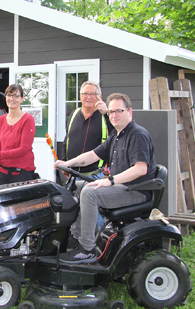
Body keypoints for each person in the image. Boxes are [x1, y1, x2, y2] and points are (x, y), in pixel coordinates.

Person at [54, 93, 156, 263]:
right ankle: (76, 236)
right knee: (75, 187)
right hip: (121, 187)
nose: (114, 115)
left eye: (119, 111)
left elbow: (140, 169)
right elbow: (93, 155)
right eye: (111, 112)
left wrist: (111, 180)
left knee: (89, 193)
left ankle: (87, 249)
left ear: (129, 112)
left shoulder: (137, 134)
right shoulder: (116, 136)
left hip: (135, 190)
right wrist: (67, 163)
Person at [60, 81, 114, 233]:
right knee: (76, 215)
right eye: (85, 94)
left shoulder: (105, 116)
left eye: (93, 94)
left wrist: (108, 113)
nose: (89, 97)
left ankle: (99, 246)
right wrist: (65, 163)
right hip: (74, 176)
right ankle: (79, 244)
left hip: (94, 176)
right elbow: (67, 140)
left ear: (100, 97)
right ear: (80, 96)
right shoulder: (74, 115)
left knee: (95, 216)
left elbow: (117, 135)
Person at [0, 84, 36, 184]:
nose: (12, 98)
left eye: (16, 96)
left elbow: (24, 149)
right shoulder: (1, 119)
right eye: (9, 95)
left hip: (22, 174)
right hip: (2, 173)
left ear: (22, 99)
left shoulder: (28, 119)